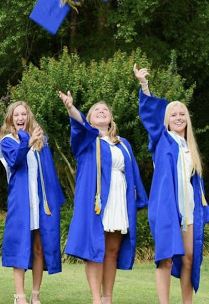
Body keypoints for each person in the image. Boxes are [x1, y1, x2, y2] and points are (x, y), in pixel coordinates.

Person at [59, 90, 147, 304]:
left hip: (118, 198)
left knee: (113, 249)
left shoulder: (123, 143)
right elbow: (79, 127)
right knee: (95, 248)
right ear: (89, 119)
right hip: (96, 200)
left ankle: (108, 298)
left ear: (111, 118)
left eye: (105, 109)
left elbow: (132, 172)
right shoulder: (86, 141)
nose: (101, 111)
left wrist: (136, 197)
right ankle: (96, 299)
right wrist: (71, 108)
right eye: (96, 110)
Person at [134, 64, 209, 303]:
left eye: (182, 114)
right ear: (166, 120)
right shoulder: (162, 139)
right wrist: (144, 86)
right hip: (166, 208)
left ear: (187, 119)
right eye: (173, 115)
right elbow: (151, 118)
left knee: (189, 257)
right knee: (165, 258)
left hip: (188, 209)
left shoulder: (190, 148)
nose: (178, 117)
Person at [0, 101, 65, 304]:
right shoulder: (7, 141)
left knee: (39, 247)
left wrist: (54, 201)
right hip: (21, 201)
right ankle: (20, 296)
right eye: (16, 115)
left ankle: (36, 295)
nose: (20, 118)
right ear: (11, 118)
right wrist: (28, 142)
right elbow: (15, 162)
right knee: (20, 245)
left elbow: (50, 173)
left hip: (40, 201)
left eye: (24, 114)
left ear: (29, 117)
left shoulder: (41, 142)